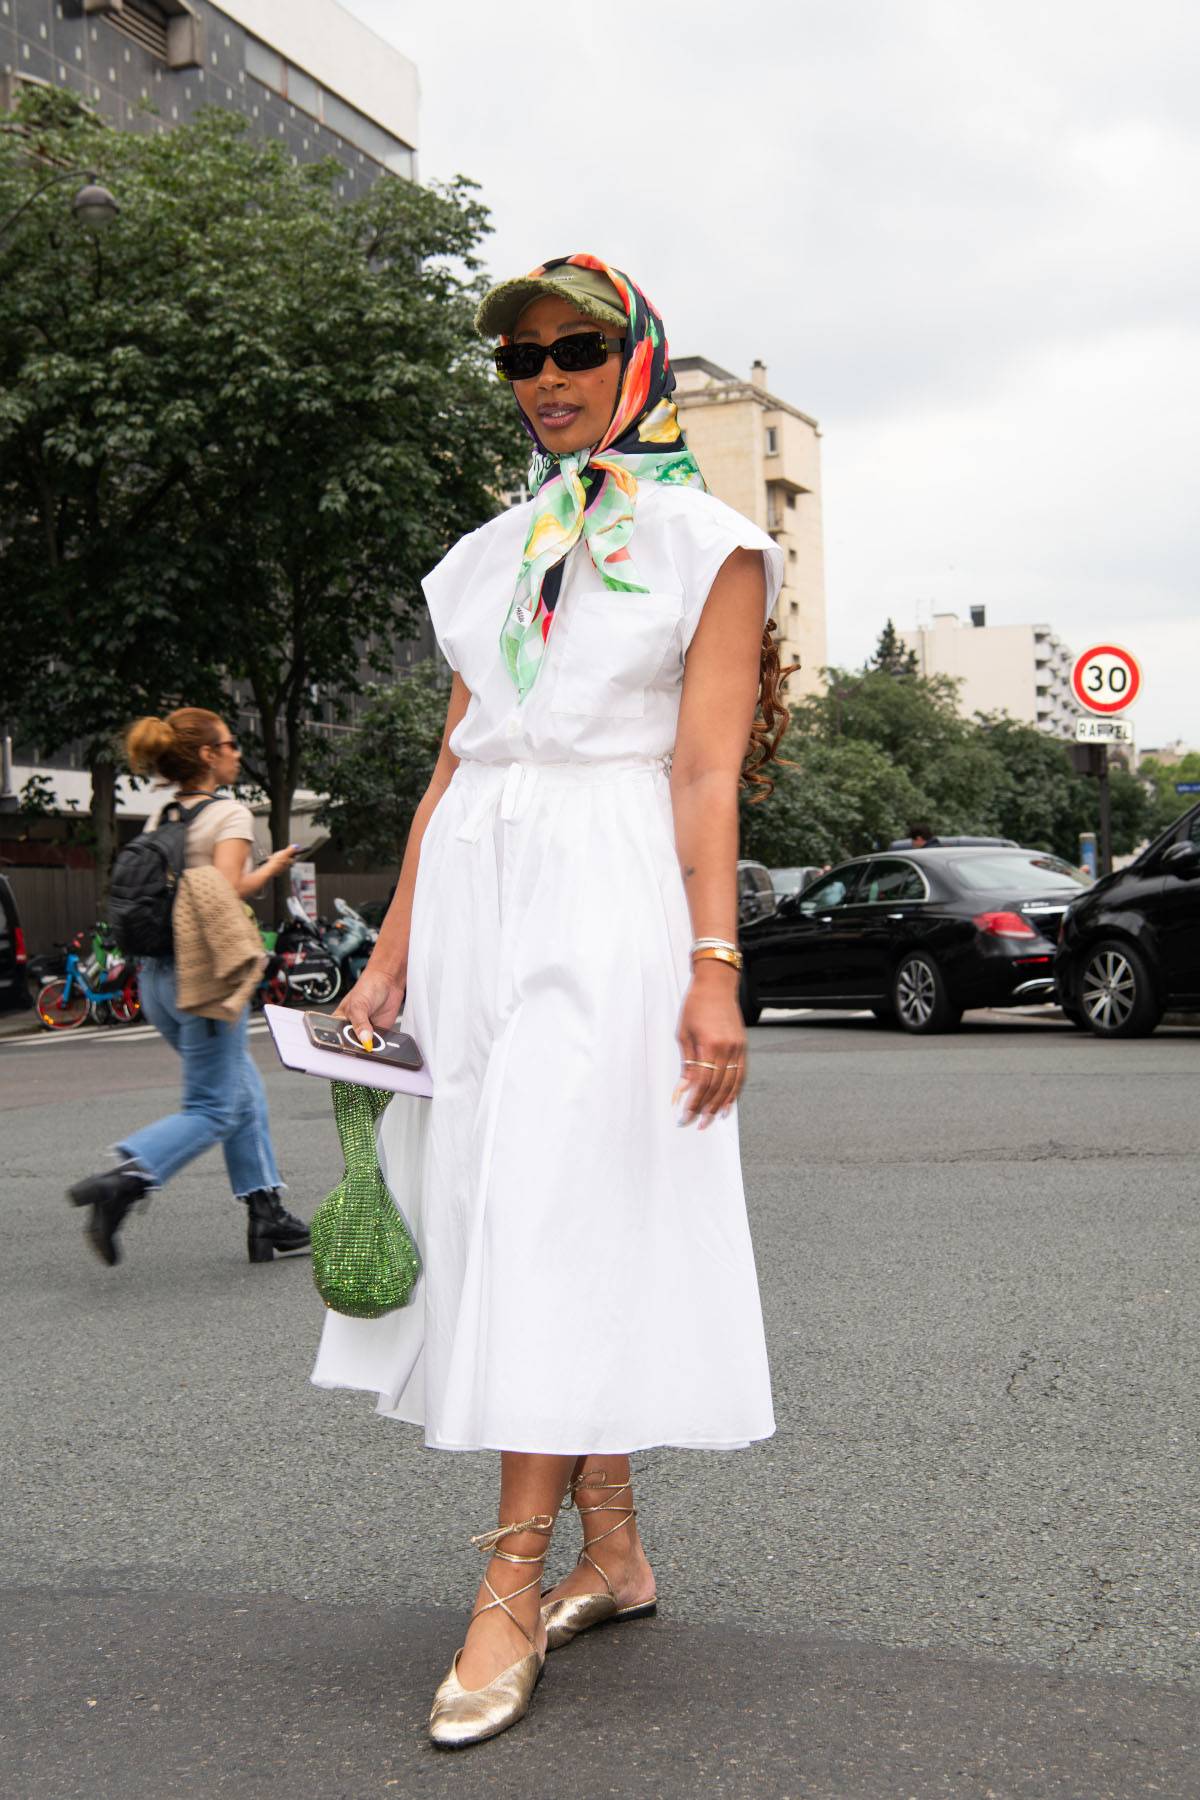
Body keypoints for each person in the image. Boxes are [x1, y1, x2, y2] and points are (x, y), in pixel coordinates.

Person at [313, 255, 789, 1749]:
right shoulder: (490, 551)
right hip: (475, 890)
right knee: (500, 1208)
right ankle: (616, 1549)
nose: (548, 377)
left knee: (545, 1208)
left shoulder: (709, 542)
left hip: (604, 890)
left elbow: (704, 770)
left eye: (576, 347)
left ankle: (510, 1582)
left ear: (631, 357)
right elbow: (455, 757)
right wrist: (389, 952)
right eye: (521, 360)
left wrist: (716, 968)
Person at [67, 708, 311, 1267]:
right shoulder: (229, 813)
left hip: (155, 981)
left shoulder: (164, 816)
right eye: (229, 744)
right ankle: (127, 1175)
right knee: (213, 1107)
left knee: (240, 1087)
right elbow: (227, 892)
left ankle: (266, 1214)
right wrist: (270, 867)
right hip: (201, 981)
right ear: (207, 755)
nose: (237, 752)